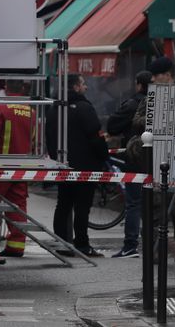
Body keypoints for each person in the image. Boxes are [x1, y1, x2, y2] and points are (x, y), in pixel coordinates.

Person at [129, 55, 175, 261]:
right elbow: (137, 122)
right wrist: (153, 121)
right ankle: (156, 248)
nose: (153, 81)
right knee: (156, 206)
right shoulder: (151, 98)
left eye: (157, 76)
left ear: (167, 75)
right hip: (156, 157)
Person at [47, 73, 109, 258]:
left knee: (63, 204)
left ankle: (62, 243)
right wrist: (103, 156)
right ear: (75, 87)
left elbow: (49, 136)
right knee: (82, 206)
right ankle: (82, 244)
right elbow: (95, 137)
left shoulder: (54, 108)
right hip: (85, 166)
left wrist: (55, 159)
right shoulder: (84, 108)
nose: (86, 87)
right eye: (83, 84)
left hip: (62, 164)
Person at [0, 79, 35, 257]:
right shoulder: (31, 110)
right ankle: (16, 246)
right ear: (23, 88)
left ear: (6, 88)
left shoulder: (0, 107)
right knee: (18, 204)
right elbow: (34, 139)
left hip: (1, 164)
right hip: (23, 165)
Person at [106, 70, 152, 258]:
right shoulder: (163, 103)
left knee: (134, 203)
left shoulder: (133, 104)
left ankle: (131, 245)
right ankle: (154, 245)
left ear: (139, 85)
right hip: (159, 161)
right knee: (155, 203)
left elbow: (112, 126)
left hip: (135, 159)